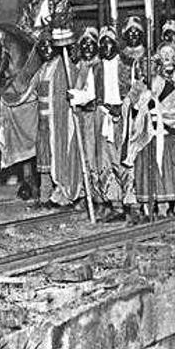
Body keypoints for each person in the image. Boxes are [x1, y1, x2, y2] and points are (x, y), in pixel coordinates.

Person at [126, 42, 175, 219]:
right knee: (145, 170)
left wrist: (156, 109)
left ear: (157, 67)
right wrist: (137, 108)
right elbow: (129, 109)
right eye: (143, 66)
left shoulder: (165, 85)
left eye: (151, 66)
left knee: (164, 168)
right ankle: (146, 206)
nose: (147, 69)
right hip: (143, 137)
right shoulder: (137, 87)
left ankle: (163, 206)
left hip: (162, 134)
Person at [28, 31, 84, 207]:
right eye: (41, 46)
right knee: (44, 158)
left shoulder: (66, 67)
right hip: (44, 122)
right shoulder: (42, 69)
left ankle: (64, 193)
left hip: (59, 121)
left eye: (48, 45)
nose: (45, 49)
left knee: (60, 156)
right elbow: (29, 93)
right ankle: (45, 196)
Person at [92, 25, 136, 222]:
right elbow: (91, 93)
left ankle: (132, 204)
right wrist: (76, 97)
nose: (106, 48)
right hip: (104, 117)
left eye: (110, 43)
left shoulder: (129, 64)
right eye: (102, 44)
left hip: (125, 117)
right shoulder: (96, 68)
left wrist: (124, 106)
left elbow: (137, 89)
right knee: (107, 162)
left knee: (125, 160)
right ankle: (115, 204)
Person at [66, 27, 101, 212]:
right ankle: (83, 193)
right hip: (78, 116)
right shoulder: (78, 66)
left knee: (93, 156)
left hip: (93, 116)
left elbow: (94, 94)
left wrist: (79, 97)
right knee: (80, 157)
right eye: (84, 44)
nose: (87, 47)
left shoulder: (98, 66)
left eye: (91, 44)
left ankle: (97, 196)